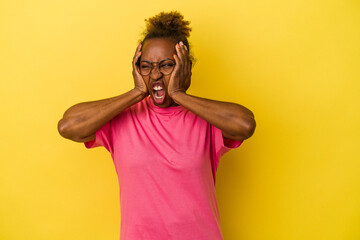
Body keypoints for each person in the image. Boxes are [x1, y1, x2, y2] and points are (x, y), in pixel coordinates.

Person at [57, 10, 256, 240]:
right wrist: (136, 92)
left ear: (186, 68)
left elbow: (245, 124)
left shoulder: (206, 119)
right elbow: (68, 125)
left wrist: (179, 95)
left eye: (166, 65)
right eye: (146, 66)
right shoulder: (122, 118)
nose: (155, 75)